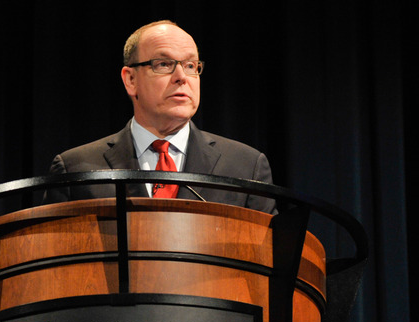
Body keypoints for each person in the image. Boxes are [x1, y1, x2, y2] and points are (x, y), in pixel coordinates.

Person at [43, 20, 277, 214]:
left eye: (190, 65)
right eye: (164, 64)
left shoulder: (246, 167)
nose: (181, 77)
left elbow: (271, 260)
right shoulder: (74, 168)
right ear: (130, 80)